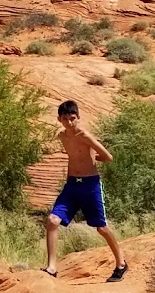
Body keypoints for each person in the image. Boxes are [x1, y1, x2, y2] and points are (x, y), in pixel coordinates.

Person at [45, 100, 128, 281]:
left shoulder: (85, 136)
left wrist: (92, 157)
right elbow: (73, 157)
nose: (69, 122)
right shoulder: (62, 136)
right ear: (59, 119)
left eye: (72, 118)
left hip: (90, 185)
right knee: (52, 221)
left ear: (78, 118)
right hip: (72, 185)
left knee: (101, 228)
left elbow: (108, 157)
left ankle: (121, 264)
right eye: (65, 119)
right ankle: (51, 267)